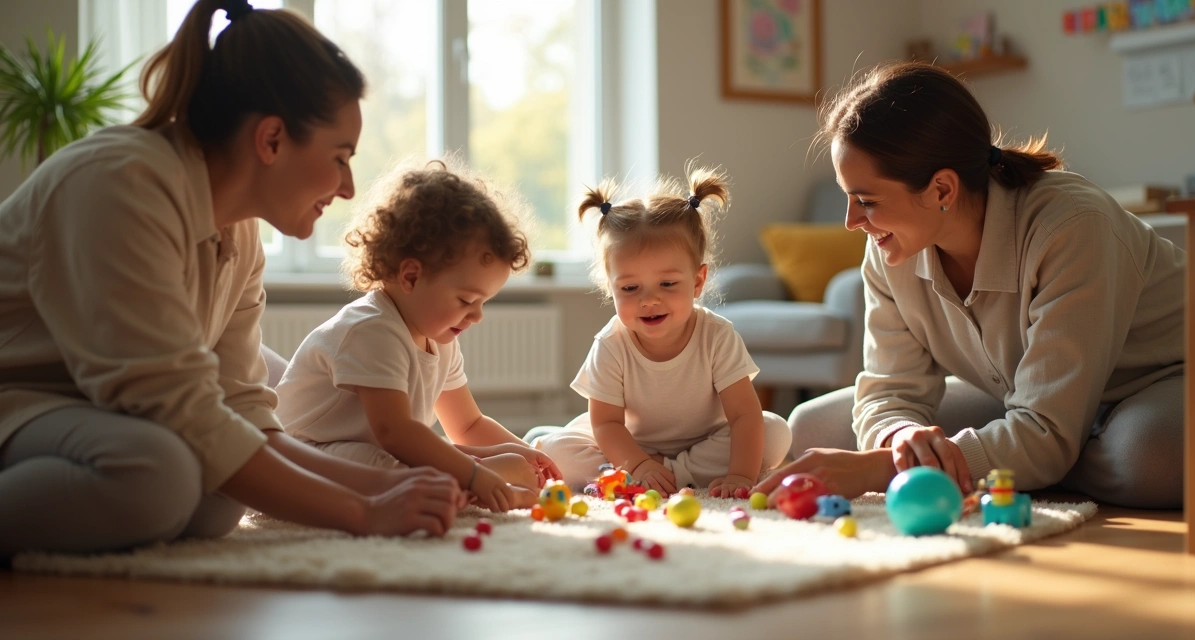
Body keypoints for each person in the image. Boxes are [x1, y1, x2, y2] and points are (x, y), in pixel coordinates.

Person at [0, 0, 464, 557]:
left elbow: (242, 407)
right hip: (20, 404)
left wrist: (379, 483)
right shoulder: (118, 184)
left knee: (218, 496)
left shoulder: (238, 235)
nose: (347, 186)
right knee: (163, 472)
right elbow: (180, 410)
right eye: (340, 157)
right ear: (271, 140)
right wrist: (362, 512)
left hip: (86, 415)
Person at [754, 62, 1185, 509]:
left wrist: (884, 468)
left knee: (1146, 461)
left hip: (1162, 384)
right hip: (1022, 400)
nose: (850, 222)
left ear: (941, 189)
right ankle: (1027, 463)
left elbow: (1046, 427)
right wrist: (903, 439)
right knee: (812, 428)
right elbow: (890, 389)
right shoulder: (890, 248)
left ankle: (1043, 460)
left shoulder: (1072, 226)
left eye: (866, 201)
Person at [276, 159, 561, 512]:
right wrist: (474, 474)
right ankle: (474, 482)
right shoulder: (373, 330)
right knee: (396, 466)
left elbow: (468, 424)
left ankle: (480, 475)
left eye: (484, 302)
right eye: (467, 300)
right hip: (306, 454)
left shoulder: (440, 338)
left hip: (376, 448)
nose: (477, 315)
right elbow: (396, 433)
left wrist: (525, 451)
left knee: (430, 452)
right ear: (410, 277)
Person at [532, 166, 792, 498]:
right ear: (610, 288)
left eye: (667, 284)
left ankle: (665, 475)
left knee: (774, 433)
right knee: (559, 453)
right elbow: (607, 425)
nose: (650, 300)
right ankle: (661, 474)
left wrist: (741, 475)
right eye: (629, 287)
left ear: (698, 281)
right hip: (629, 442)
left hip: (706, 440)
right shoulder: (611, 344)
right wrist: (639, 464)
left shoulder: (717, 335)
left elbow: (743, 414)